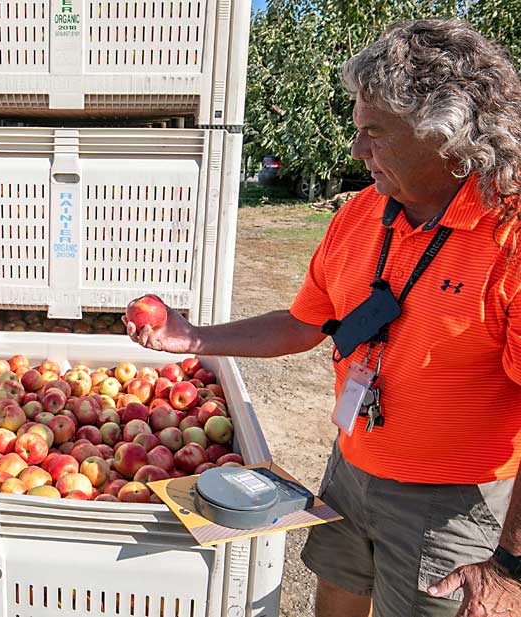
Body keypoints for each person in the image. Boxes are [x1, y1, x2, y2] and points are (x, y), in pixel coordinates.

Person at [126, 19, 521, 617]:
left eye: (375, 133)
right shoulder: (364, 213)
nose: (357, 150)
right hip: (352, 466)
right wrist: (194, 336)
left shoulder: (510, 237)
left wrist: (511, 567)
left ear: (448, 137)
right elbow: (304, 323)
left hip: (453, 506)